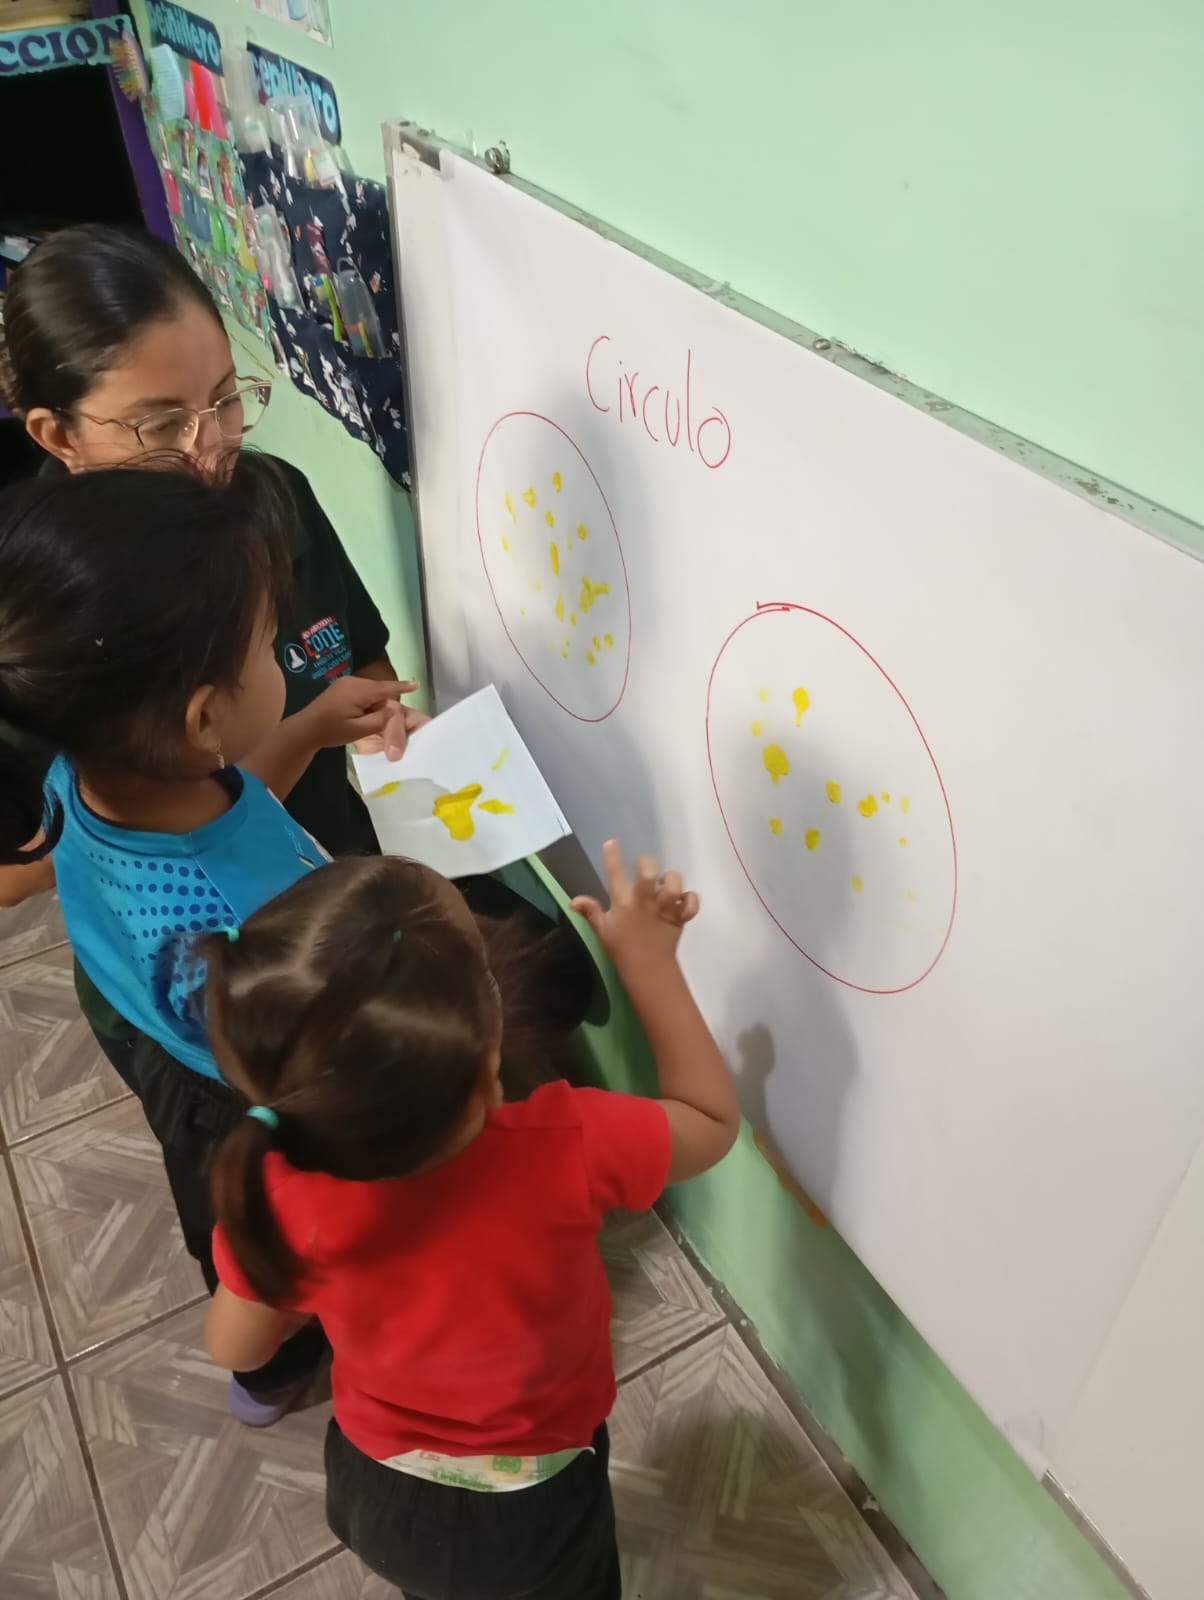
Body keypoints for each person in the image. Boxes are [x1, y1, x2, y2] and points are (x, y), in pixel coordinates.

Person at [204, 841, 740, 1599]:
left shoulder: (283, 1190)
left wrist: (306, 1292)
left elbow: (234, 1344)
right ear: (486, 1062)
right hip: (532, 1510)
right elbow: (710, 1121)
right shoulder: (567, 1143)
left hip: (375, 1487)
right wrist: (649, 965)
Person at [0, 459, 392, 1423]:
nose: (282, 659)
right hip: (248, 1086)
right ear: (205, 716)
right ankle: (274, 1367)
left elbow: (232, 806)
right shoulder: (237, 925)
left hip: (160, 1030)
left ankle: (266, 1364)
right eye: (267, 646)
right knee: (262, 1227)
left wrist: (304, 731)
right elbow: (310, 1072)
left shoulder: (90, 770)